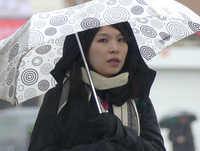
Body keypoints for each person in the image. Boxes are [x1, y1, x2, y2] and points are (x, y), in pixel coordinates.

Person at [28, 22, 166, 151]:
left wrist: (120, 133)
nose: (115, 49)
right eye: (103, 40)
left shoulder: (136, 96)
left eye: (121, 40)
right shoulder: (60, 97)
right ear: (84, 47)